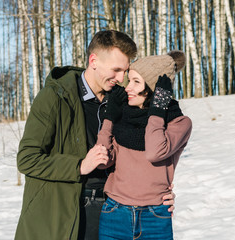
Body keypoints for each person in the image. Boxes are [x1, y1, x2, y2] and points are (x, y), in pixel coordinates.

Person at [15, 30, 175, 240]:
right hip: (66, 211)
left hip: (115, 210)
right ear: (94, 61)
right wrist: (79, 165)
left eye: (125, 71)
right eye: (116, 70)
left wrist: (158, 192)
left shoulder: (124, 102)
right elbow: (27, 159)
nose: (121, 79)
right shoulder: (54, 97)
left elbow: (142, 154)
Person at [96, 50, 192, 240]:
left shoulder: (179, 123)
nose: (128, 88)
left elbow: (155, 152)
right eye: (129, 81)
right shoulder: (123, 118)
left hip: (155, 217)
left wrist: (157, 109)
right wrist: (110, 118)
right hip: (114, 213)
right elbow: (102, 160)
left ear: (155, 90)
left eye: (136, 82)